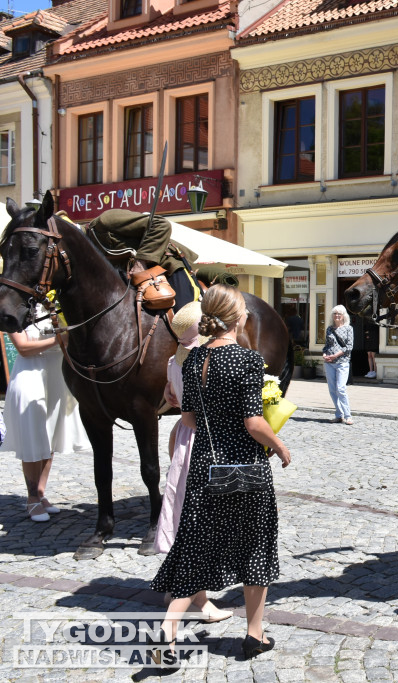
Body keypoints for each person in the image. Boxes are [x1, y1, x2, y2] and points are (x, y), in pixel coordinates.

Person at [150, 285, 291, 663]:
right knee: (255, 546)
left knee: (195, 547)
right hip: (244, 465)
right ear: (237, 317)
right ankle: (254, 634)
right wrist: (278, 445)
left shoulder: (192, 361)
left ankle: (168, 629)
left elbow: (190, 419)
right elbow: (253, 422)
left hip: (204, 465)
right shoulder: (246, 360)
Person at [153, 301, 232, 623]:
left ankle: (178, 586)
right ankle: (196, 599)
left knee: (182, 509)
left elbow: (172, 397)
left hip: (183, 436)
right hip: (204, 439)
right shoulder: (204, 361)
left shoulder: (175, 361)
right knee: (199, 519)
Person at [1, 303, 90, 522]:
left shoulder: (54, 306)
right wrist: (61, 340)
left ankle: (41, 493)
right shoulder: (12, 309)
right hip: (29, 376)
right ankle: (32, 498)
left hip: (55, 375)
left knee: (49, 437)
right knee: (33, 438)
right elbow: (22, 347)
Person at [87, 209, 201, 312]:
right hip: (134, 284)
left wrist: (140, 263)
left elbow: (161, 225)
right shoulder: (87, 259)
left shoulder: (104, 221)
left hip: (166, 267)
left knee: (185, 317)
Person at [323, 305, 354, 424]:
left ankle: (348, 415)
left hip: (342, 362)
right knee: (332, 389)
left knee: (341, 388)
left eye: (339, 314)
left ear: (343, 316)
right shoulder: (329, 329)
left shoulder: (348, 329)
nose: (337, 316)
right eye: (335, 313)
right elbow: (326, 345)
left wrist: (335, 355)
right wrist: (325, 354)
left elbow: (349, 347)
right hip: (329, 362)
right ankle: (339, 414)